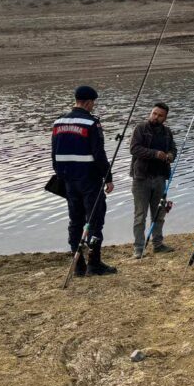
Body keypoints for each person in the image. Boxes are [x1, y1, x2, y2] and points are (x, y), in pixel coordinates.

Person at [51, 85, 117, 276]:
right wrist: (108, 177)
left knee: (75, 221)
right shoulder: (91, 123)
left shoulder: (58, 122)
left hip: (68, 180)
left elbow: (54, 154)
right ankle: (94, 264)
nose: (93, 106)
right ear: (88, 102)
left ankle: (78, 265)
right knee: (95, 220)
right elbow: (99, 153)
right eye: (93, 103)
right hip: (89, 180)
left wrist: (61, 175)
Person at [129, 102, 177, 258]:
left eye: (160, 115)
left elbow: (173, 149)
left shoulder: (167, 132)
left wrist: (170, 156)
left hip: (160, 178)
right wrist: (155, 154)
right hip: (141, 179)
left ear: (165, 118)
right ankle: (138, 248)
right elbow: (134, 149)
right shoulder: (140, 129)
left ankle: (158, 244)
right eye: (154, 113)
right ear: (151, 113)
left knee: (159, 214)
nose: (156, 117)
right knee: (140, 215)